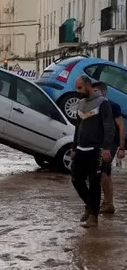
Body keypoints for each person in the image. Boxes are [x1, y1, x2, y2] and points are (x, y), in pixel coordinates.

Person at [71, 75, 115, 228]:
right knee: (76, 180)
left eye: (80, 88)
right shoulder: (81, 103)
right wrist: (74, 147)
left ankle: (93, 218)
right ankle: (90, 206)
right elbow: (77, 127)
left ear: (88, 85)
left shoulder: (103, 103)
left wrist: (106, 148)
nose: (78, 91)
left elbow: (109, 127)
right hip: (81, 150)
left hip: (97, 151)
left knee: (95, 182)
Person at [92, 81, 125, 214]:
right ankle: (108, 203)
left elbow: (121, 126)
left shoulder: (112, 106)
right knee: (105, 173)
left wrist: (121, 148)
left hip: (111, 143)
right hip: (99, 143)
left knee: (103, 172)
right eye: (92, 92)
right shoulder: (92, 106)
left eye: (96, 92)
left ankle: (107, 204)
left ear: (104, 92)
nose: (94, 94)